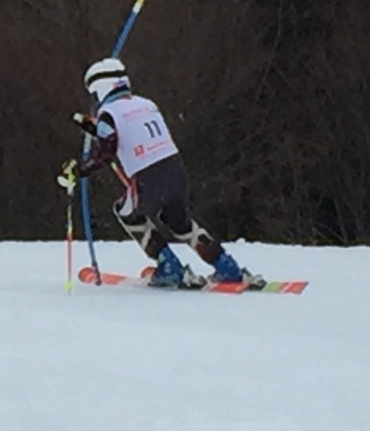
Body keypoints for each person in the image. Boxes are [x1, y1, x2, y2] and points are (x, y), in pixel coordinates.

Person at [58, 57, 264, 290]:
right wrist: (95, 129)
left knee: (127, 212)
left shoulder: (108, 113)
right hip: (175, 170)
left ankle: (169, 267)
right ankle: (227, 267)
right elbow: (129, 130)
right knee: (178, 221)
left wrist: (79, 170)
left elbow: (106, 152)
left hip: (147, 177)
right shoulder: (146, 104)